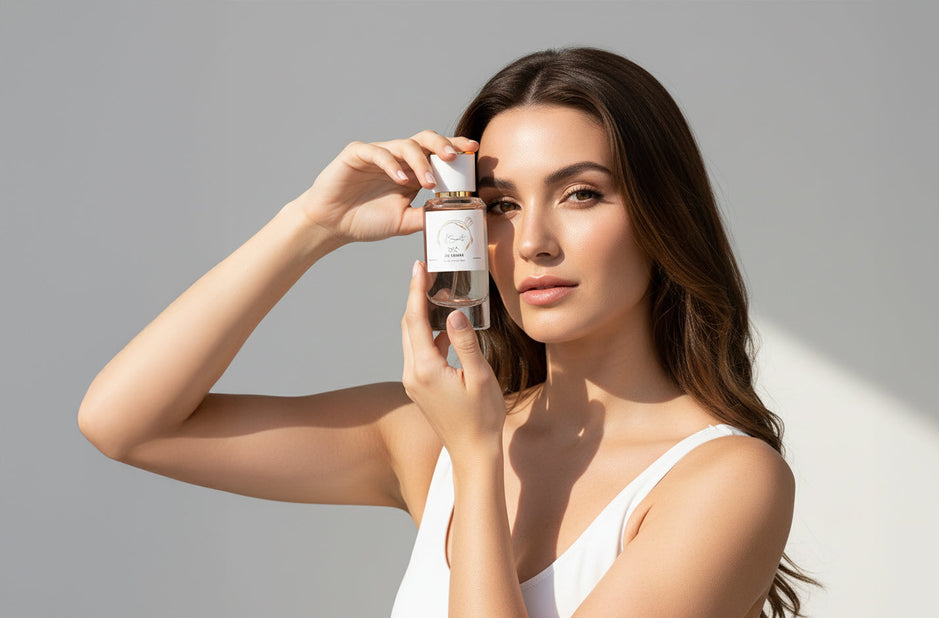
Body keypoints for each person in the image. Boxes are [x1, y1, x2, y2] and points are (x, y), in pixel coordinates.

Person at [78, 47, 816, 617]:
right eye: (499, 205)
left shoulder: (725, 481)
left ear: (662, 215)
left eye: (581, 194)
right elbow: (126, 423)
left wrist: (474, 455)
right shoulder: (429, 436)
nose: (532, 243)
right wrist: (310, 226)